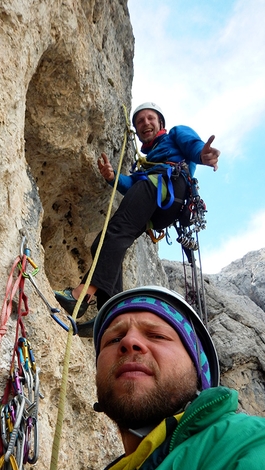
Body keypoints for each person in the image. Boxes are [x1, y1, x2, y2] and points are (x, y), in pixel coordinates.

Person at [69, 285, 265, 470]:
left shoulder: (240, 448)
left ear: (199, 372)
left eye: (157, 335)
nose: (130, 343)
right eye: (113, 340)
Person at [54, 103, 221, 320]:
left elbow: (193, 146)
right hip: (161, 205)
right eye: (140, 121)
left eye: (150, 118)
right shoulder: (146, 163)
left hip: (166, 184)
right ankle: (112, 316)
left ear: (161, 122)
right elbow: (131, 185)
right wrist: (112, 178)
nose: (145, 123)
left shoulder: (176, 134)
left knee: (116, 230)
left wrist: (202, 154)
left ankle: (81, 295)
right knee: (104, 244)